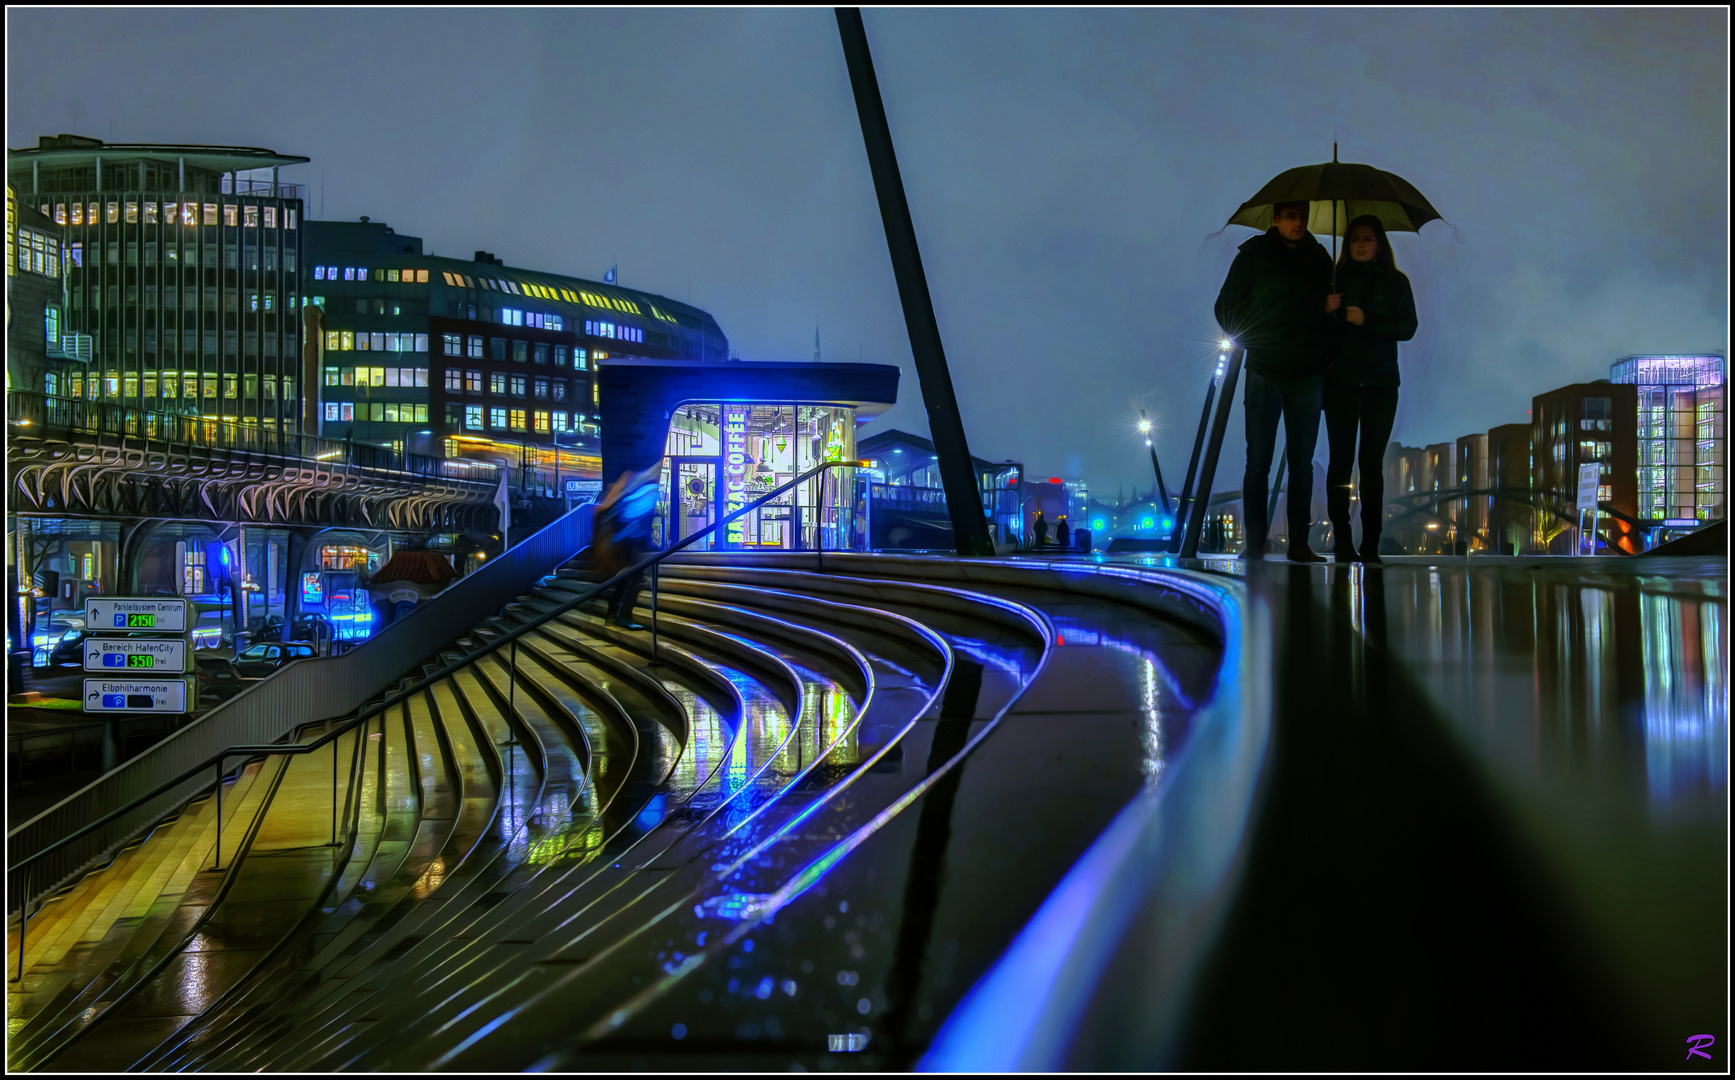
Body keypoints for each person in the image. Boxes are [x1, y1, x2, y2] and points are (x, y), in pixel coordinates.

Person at [1215, 201, 1338, 562]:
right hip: (1266, 369)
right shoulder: (1253, 256)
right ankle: (1255, 543)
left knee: (1301, 462)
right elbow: (1226, 307)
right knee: (1259, 461)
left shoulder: (1319, 259)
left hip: (1305, 371)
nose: (1298, 223)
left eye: (1302, 216)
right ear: (1276, 219)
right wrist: (1256, 337)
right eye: (1291, 216)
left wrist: (1324, 335)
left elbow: (1332, 318)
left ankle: (1299, 543)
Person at [1323, 215, 1418, 565]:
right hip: (1341, 382)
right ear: (1347, 245)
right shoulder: (1335, 282)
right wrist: (1327, 310)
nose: (1361, 244)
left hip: (1380, 383)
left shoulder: (1395, 282)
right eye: (1355, 240)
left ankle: (1371, 544)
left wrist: (1368, 320)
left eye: (1368, 238)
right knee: (1340, 464)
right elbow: (1320, 332)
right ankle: (1343, 542)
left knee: (1371, 465)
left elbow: (1407, 327)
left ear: (1379, 244)